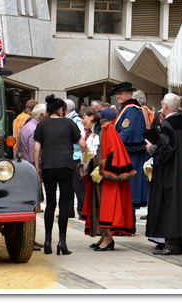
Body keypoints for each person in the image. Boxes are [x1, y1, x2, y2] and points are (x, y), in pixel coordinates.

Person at [33, 94, 87, 255]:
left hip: (49, 166)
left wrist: (38, 167)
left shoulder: (42, 125)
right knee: (64, 203)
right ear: (61, 109)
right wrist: (86, 154)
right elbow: (82, 144)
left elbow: (36, 148)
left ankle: (48, 241)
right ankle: (62, 243)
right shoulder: (70, 123)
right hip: (66, 165)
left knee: (50, 204)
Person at [78, 107, 136, 251]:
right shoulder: (91, 132)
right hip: (95, 176)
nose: (82, 121)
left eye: (83, 117)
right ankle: (104, 236)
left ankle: (108, 239)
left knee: (106, 207)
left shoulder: (107, 129)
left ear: (92, 117)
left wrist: (102, 168)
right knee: (97, 206)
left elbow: (114, 152)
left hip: (105, 176)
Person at [145, 93, 182, 255]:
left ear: (165, 106)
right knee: (180, 205)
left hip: (170, 172)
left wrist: (151, 148)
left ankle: (172, 245)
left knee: (169, 205)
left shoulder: (167, 124)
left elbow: (166, 149)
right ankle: (180, 243)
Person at [110, 82, 148, 233]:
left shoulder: (131, 110)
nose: (118, 96)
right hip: (127, 153)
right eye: (117, 93)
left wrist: (111, 143)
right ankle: (125, 224)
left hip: (129, 154)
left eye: (121, 93)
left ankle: (127, 226)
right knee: (126, 189)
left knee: (129, 189)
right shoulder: (126, 108)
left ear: (129, 94)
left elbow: (126, 132)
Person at [17, 103, 47, 251]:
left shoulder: (27, 127)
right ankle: (30, 239)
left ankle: (31, 239)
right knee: (33, 204)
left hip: (25, 165)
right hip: (31, 167)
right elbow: (34, 151)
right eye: (46, 114)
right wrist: (37, 167)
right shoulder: (35, 129)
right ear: (41, 116)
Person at [64, 99, 86, 219]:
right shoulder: (69, 120)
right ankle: (69, 210)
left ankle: (82, 211)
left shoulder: (76, 121)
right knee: (69, 185)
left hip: (76, 158)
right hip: (70, 157)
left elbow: (81, 137)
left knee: (78, 186)